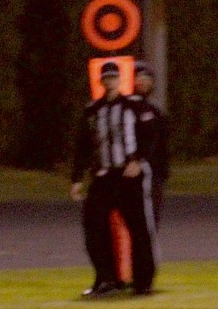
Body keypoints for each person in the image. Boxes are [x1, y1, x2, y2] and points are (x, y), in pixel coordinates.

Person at [70, 61, 158, 297]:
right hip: (104, 176)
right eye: (106, 78)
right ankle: (105, 278)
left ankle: (143, 282)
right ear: (101, 81)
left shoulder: (134, 106)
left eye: (113, 77)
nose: (110, 82)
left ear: (120, 80)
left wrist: (138, 160)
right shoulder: (93, 110)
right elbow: (83, 146)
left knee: (138, 229)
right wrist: (77, 178)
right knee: (93, 227)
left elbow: (151, 137)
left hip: (128, 177)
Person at [130, 61, 170, 227]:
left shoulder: (155, 111)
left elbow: (162, 143)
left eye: (147, 77)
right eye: (138, 77)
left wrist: (163, 171)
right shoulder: (127, 108)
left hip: (154, 173)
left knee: (151, 220)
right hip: (133, 172)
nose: (143, 81)